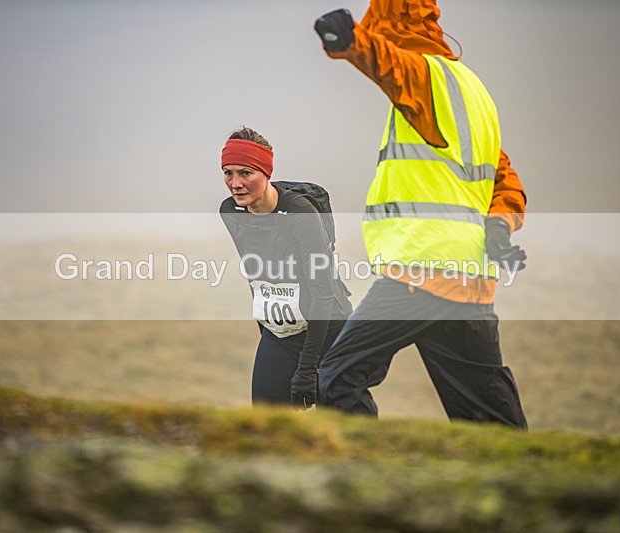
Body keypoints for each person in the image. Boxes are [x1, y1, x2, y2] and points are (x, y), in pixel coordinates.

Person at [313, 0, 528, 427]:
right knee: (487, 418)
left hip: (420, 272)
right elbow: (504, 179)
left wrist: (353, 41)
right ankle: (532, 486)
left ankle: (369, 482)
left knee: (337, 380)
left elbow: (392, 66)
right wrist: (500, 229)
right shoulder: (472, 90)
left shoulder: (427, 78)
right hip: (470, 280)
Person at [219, 127, 353, 409]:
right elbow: (258, 279)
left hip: (327, 328)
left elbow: (323, 292)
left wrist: (308, 367)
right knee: (268, 423)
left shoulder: (300, 213)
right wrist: (266, 325)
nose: (235, 183)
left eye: (246, 173)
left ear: (265, 173)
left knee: (345, 426)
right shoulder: (230, 212)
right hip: (280, 335)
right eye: (228, 173)